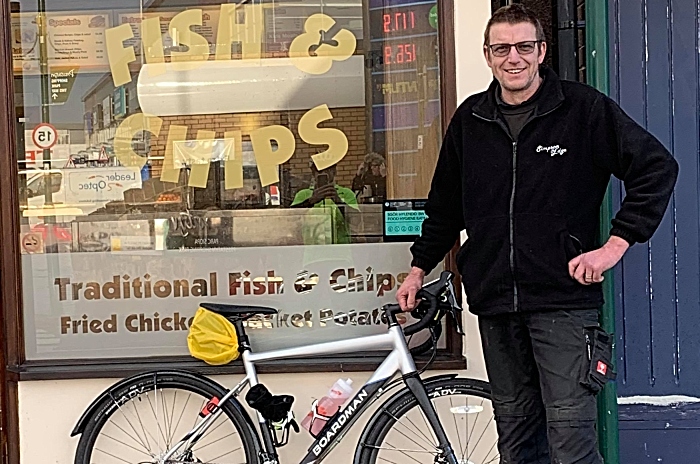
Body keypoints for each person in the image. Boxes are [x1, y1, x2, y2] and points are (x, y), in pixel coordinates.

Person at [396, 5, 678, 464]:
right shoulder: (471, 120)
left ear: (542, 51)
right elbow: (445, 206)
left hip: (563, 304)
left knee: (571, 443)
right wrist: (417, 269)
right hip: (496, 305)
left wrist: (613, 246)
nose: (514, 58)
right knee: (517, 442)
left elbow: (657, 167)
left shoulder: (582, 109)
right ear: (487, 55)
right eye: (502, 48)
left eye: (524, 47)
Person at [291, 162, 358, 244]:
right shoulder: (303, 195)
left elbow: (356, 221)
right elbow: (292, 220)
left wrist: (338, 201)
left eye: (327, 170)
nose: (323, 173)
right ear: (314, 174)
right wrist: (310, 201)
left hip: (341, 250)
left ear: (334, 172)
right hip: (312, 250)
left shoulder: (347, 194)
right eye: (319, 171)